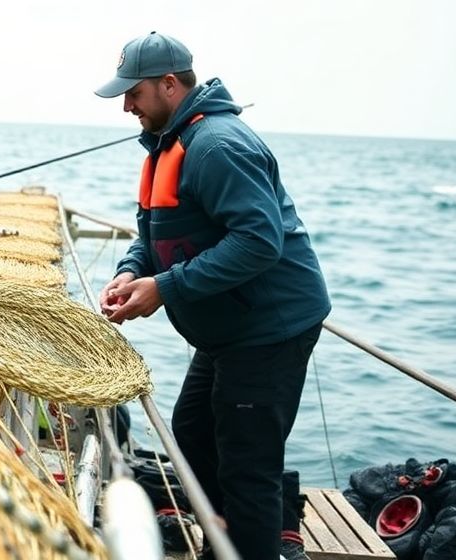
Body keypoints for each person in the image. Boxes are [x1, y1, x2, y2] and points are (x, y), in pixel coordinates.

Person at [95, 32, 331, 560]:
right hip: (229, 330)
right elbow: (155, 232)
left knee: (248, 468)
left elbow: (258, 241)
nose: (127, 106)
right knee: (193, 430)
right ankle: (225, 538)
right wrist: (133, 270)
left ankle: (249, 541)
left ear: (170, 85)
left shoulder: (218, 145)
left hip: (269, 330)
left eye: (133, 93)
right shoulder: (169, 144)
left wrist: (165, 287)